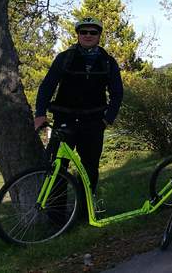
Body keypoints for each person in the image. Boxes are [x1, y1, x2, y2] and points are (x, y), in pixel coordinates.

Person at [34, 17, 124, 203]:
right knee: (57, 169)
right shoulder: (64, 58)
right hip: (64, 121)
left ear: (99, 35)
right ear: (78, 35)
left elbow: (117, 92)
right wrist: (40, 114)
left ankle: (85, 213)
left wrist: (108, 119)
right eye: (84, 32)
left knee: (90, 169)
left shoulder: (108, 61)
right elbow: (47, 86)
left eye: (93, 32)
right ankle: (57, 218)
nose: (88, 35)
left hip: (94, 123)